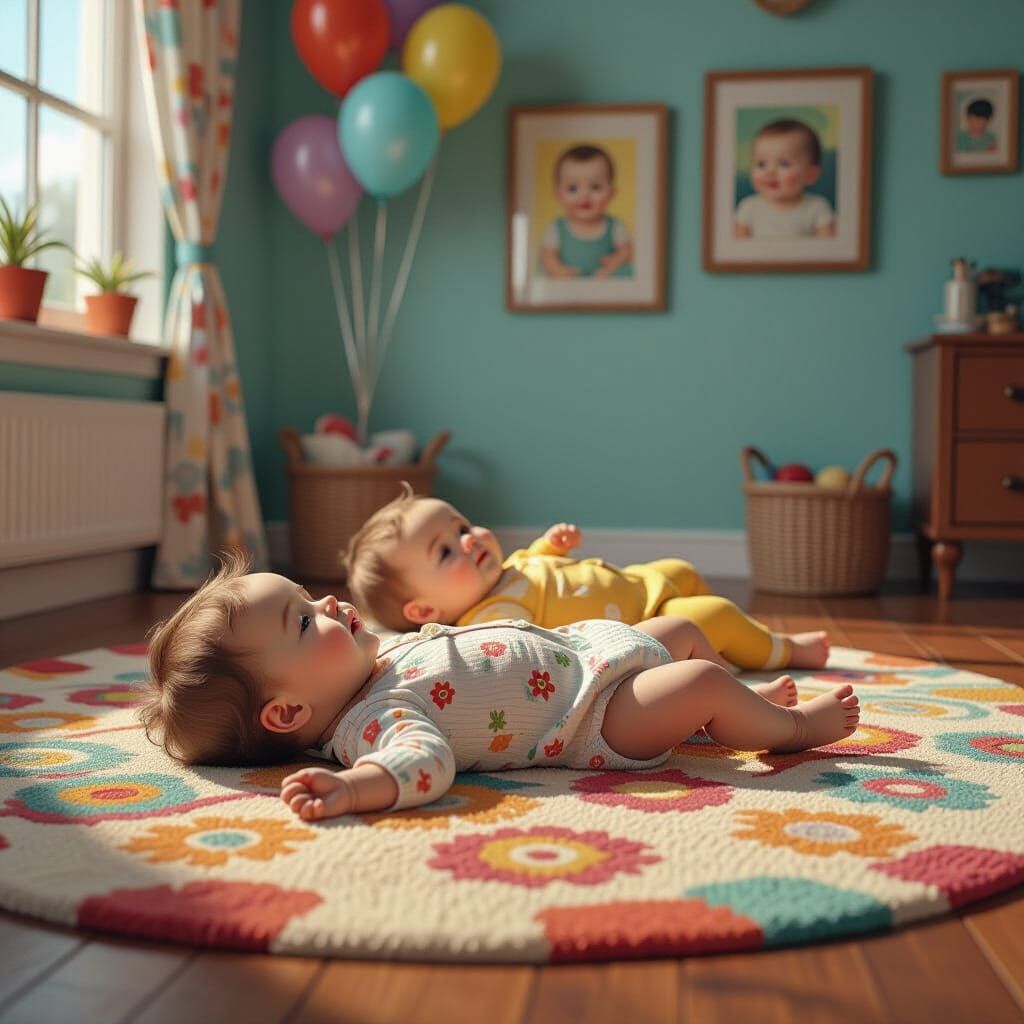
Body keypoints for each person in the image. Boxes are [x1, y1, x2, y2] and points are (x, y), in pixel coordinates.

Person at [137, 553, 860, 821]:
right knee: (699, 679)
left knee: (679, 629)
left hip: (585, 652)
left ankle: (738, 715)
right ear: (290, 710)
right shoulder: (374, 723)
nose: (326, 603)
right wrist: (359, 787)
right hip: (591, 717)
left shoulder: (368, 656)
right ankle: (790, 732)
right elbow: (424, 764)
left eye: (306, 594)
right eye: (303, 620)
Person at [343, 488, 831, 672]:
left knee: (683, 569)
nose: (471, 540)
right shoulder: (493, 619)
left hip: (641, 584)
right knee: (713, 614)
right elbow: (526, 648)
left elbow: (532, 563)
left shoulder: (501, 575)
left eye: (464, 527)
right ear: (425, 612)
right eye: (447, 550)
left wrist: (549, 546)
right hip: (646, 622)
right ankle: (781, 650)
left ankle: (720, 652)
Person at [539, 144, 634, 279]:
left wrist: (614, 263)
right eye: (573, 189)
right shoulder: (557, 227)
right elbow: (547, 256)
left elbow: (627, 250)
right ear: (558, 194)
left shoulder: (614, 226)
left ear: (611, 193)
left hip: (604, 288)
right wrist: (558, 270)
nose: (584, 195)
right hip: (568, 288)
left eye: (595, 187)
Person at [733, 119, 835, 240]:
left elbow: (828, 250)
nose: (770, 172)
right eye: (761, 164)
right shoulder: (748, 208)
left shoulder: (817, 208)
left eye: (784, 164)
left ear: (810, 174)